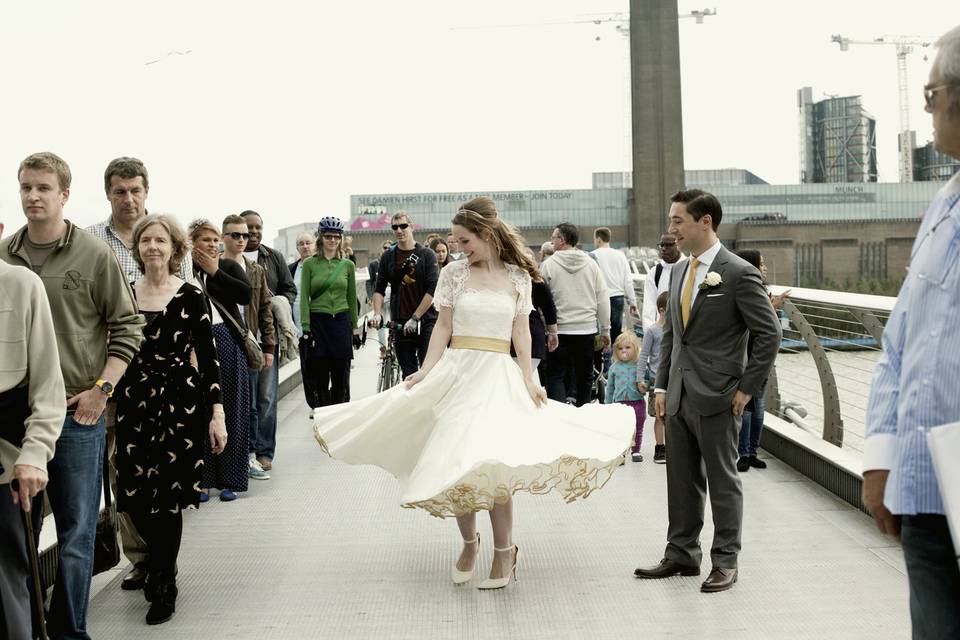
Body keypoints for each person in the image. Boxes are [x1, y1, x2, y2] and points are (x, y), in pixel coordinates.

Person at [312, 196, 634, 590]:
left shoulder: (518, 277)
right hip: (458, 372)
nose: (461, 249)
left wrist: (530, 378)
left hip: (497, 374)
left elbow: (519, 331)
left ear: (486, 234)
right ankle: (469, 543)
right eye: (457, 242)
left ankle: (505, 552)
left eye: (466, 241)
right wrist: (426, 370)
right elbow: (443, 327)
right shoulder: (453, 275)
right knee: (459, 460)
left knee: (494, 463)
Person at [2, 152, 145, 639]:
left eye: (43, 188)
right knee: (16, 538)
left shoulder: (92, 254)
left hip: (76, 416)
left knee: (76, 534)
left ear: (64, 194)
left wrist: (101, 392)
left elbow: (128, 327)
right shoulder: (4, 256)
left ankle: (68, 630)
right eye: (25, 187)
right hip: (13, 423)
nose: (32, 196)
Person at [863, 25, 960, 639]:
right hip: (925, 490)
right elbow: (900, 343)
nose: (928, 113)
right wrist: (881, 462)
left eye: (930, 97)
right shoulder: (943, 204)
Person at [634, 189, 781, 594]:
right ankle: (681, 554)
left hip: (720, 394)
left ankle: (725, 562)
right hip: (678, 394)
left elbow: (769, 334)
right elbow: (671, 337)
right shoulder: (679, 271)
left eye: (678, 221)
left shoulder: (737, 272)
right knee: (680, 480)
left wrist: (747, 389)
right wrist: (661, 386)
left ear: (705, 222)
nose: (671, 229)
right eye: (670, 221)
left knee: (722, 480)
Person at [115, 215, 227, 625]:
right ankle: (162, 563)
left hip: (181, 404)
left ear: (174, 247)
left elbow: (210, 361)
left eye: (161, 240)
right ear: (138, 248)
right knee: (135, 496)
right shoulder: (125, 295)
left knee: (170, 496)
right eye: (146, 240)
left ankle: (163, 581)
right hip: (133, 403)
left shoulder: (191, 295)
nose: (153, 247)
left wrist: (218, 414)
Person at [87, 156, 192, 591]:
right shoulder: (92, 241)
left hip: (164, 385)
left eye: (135, 190)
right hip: (112, 377)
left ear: (146, 191)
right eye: (119, 191)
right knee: (121, 470)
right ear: (108, 193)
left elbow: (189, 316)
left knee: (161, 476)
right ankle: (141, 556)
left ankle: (159, 561)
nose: (128, 199)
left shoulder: (163, 236)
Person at [0, 219, 66, 640]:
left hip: (7, 468)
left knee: (7, 585)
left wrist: (35, 452)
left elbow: (47, 385)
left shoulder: (21, 285)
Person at [189, 219, 261, 492]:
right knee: (202, 410)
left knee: (232, 409)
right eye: (203, 239)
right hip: (197, 343)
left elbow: (244, 295)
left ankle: (230, 480)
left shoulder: (228, 266)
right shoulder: (186, 271)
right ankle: (204, 480)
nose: (210, 244)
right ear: (192, 242)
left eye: (213, 239)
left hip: (227, 341)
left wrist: (215, 271)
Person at [240, 210, 297, 473]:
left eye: (257, 228)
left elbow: (290, 288)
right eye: (247, 228)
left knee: (266, 398)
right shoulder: (230, 258)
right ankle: (245, 452)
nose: (252, 233)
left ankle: (264, 452)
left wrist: (278, 301)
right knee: (244, 401)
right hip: (239, 339)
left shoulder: (272, 257)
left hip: (266, 339)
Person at [223, 215, 277, 473]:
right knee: (228, 403)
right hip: (223, 342)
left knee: (254, 404)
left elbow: (266, 309)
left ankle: (251, 454)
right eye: (235, 235)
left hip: (251, 344)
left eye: (244, 235)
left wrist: (269, 346)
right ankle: (227, 458)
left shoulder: (256, 270)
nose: (242, 240)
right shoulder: (214, 268)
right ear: (224, 237)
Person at [540, 223, 611, 406]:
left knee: (555, 375)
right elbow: (602, 297)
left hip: (558, 330)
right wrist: (605, 329)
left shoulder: (548, 265)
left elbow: (540, 299)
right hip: (586, 329)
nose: (552, 241)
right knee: (585, 376)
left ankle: (559, 417)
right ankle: (583, 414)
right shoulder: (591, 264)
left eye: (554, 237)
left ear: (562, 240)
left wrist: (547, 328)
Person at [733, 249, 785, 473]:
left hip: (762, 357)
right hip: (746, 357)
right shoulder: (745, 289)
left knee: (759, 407)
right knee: (746, 407)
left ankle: (752, 452)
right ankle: (743, 454)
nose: (764, 268)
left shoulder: (762, 290)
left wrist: (772, 306)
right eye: (760, 264)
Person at [369, 212, 439, 379]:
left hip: (425, 320)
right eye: (395, 227)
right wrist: (377, 313)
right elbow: (378, 289)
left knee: (427, 370)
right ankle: (411, 404)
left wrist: (415, 318)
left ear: (411, 227)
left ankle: (427, 404)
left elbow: (432, 290)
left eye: (403, 226)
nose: (399, 230)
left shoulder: (427, 255)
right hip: (400, 320)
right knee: (408, 373)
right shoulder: (387, 257)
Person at [300, 217, 359, 408]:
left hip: (341, 321)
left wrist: (355, 327)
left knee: (341, 376)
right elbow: (304, 298)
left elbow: (352, 298)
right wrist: (306, 327)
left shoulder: (348, 265)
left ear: (341, 239)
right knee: (320, 376)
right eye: (328, 236)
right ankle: (323, 416)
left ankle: (339, 415)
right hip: (318, 322)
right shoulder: (309, 264)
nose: (332, 240)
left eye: (336, 237)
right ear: (321, 238)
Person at [591, 227, 638, 371]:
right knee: (615, 334)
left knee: (600, 334)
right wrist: (633, 301)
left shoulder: (592, 256)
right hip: (617, 297)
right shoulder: (620, 256)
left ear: (598, 239)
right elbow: (627, 280)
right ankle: (614, 366)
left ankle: (601, 368)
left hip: (599, 298)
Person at [603, 332, 646, 462]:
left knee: (638, 427)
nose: (624, 351)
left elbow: (647, 381)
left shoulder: (639, 366)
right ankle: (621, 453)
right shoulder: (614, 368)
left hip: (637, 402)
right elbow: (610, 388)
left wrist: (645, 385)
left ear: (635, 349)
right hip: (620, 404)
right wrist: (608, 404)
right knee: (621, 429)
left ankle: (636, 451)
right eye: (620, 348)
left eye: (627, 347)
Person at [639, 292, 669, 464]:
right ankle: (660, 447)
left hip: (673, 378)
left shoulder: (678, 330)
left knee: (672, 416)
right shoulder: (652, 331)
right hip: (656, 379)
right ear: (662, 310)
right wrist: (640, 378)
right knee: (659, 415)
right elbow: (644, 355)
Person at [642, 234, 681, 331]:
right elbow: (649, 305)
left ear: (679, 245)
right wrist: (650, 332)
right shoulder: (655, 272)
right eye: (662, 245)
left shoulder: (690, 268)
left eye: (668, 245)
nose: (663, 249)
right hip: (661, 331)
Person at [289, 232, 317, 337]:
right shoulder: (290, 269)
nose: (305, 246)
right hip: (297, 317)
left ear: (314, 245)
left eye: (308, 243)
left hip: (317, 313)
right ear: (297, 248)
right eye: (301, 244)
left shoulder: (322, 266)